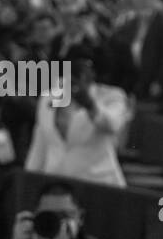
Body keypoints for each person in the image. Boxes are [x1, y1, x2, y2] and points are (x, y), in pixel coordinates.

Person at [24, 48, 129, 188]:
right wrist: (28, 183)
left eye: (85, 68)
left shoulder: (111, 96)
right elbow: (39, 146)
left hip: (98, 186)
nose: (78, 74)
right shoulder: (48, 97)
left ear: (94, 72)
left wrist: (90, 104)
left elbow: (112, 124)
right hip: (57, 186)